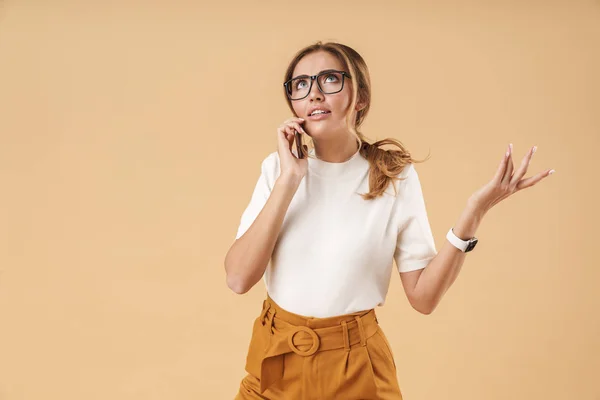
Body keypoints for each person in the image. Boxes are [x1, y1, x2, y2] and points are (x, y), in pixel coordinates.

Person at [224, 41, 553, 400]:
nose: (314, 94)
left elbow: (424, 298)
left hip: (357, 372)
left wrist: (474, 212)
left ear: (361, 97)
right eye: (300, 84)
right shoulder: (277, 171)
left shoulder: (394, 176)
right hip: (276, 365)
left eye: (329, 79)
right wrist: (290, 179)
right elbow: (239, 278)